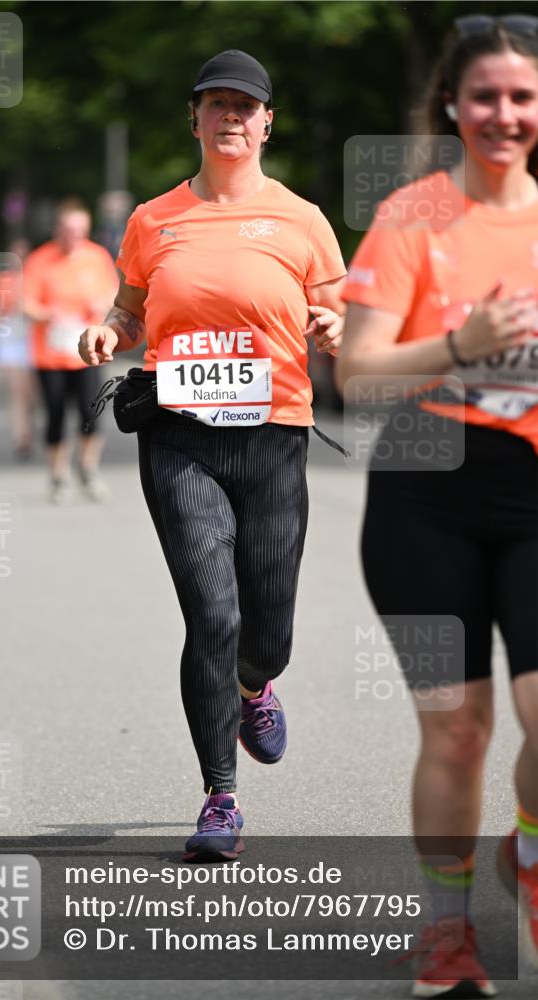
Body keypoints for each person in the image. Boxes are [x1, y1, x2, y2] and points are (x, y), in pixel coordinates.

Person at [78, 50, 347, 860]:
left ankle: (254, 686)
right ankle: (219, 798)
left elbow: (335, 314)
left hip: (272, 435)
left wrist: (337, 330)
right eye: (216, 103)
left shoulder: (301, 219)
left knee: (266, 635)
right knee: (212, 615)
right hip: (178, 434)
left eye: (246, 105)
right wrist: (108, 331)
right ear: (193, 118)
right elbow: (128, 312)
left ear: (267, 122)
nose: (232, 116)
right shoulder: (153, 220)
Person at [337, 14, 538, 996]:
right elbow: (356, 372)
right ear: (453, 106)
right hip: (424, 494)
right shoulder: (414, 213)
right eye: (486, 96)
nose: (504, 114)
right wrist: (462, 346)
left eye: (522, 96)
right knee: (455, 729)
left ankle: (530, 858)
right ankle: (446, 933)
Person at [23, 199, 118, 502]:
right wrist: (46, 314)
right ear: (57, 229)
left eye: (80, 230)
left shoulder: (97, 256)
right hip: (51, 354)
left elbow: (114, 293)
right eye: (68, 229)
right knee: (55, 415)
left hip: (89, 351)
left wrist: (101, 304)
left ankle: (88, 468)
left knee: (92, 412)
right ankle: (57, 475)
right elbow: (25, 303)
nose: (73, 235)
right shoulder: (40, 260)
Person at [0, 238, 36, 460]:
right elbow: (3, 307)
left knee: (31, 393)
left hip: (31, 337)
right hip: (9, 336)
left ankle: (28, 427)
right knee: (16, 391)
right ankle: (21, 436)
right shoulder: (3, 280)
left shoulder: (35, 277)